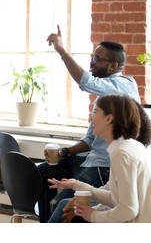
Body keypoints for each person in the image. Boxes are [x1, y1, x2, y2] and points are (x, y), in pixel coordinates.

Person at [38, 25, 140, 222]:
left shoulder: (122, 86)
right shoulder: (104, 95)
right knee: (40, 174)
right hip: (90, 157)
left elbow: (85, 81)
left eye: (96, 59)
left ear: (113, 66)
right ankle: (46, 220)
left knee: (62, 203)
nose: (91, 63)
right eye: (92, 57)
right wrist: (65, 152)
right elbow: (92, 137)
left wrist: (61, 49)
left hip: (102, 165)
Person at [48, 94, 151, 223]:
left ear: (109, 119)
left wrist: (93, 215)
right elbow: (115, 197)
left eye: (95, 112)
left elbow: (128, 210)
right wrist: (76, 185)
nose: (91, 118)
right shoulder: (130, 147)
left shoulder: (121, 154)